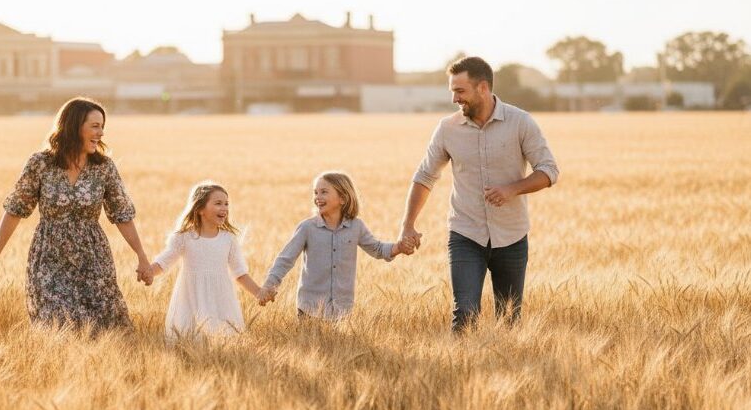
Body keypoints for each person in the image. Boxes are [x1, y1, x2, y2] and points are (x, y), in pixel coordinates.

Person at [399, 57, 559, 332]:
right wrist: (408, 225)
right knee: (464, 315)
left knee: (509, 320)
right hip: (465, 234)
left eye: (460, 91)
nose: (454, 99)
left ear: (482, 88)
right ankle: (461, 370)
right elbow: (425, 176)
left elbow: (549, 171)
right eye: (452, 91)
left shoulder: (520, 122)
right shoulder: (447, 129)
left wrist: (512, 189)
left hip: (511, 235)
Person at [0, 97, 153, 332]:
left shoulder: (104, 167)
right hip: (49, 258)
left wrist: (141, 256)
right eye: (95, 126)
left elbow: (122, 215)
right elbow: (15, 210)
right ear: (74, 126)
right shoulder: (40, 163)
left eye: (102, 126)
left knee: (102, 327)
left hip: (93, 260)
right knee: (54, 323)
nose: (101, 133)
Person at [260, 171, 415, 319]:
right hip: (309, 310)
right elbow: (285, 259)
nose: (318, 197)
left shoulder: (356, 227)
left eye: (324, 192)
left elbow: (378, 249)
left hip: (342, 311)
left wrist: (399, 247)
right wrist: (269, 285)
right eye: (315, 192)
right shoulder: (307, 228)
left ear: (342, 198)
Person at [150, 182, 262, 338]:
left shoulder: (228, 239)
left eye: (226, 204)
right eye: (218, 203)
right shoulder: (185, 237)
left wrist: (259, 293)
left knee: (224, 336)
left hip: (220, 298)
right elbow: (165, 261)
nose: (224, 208)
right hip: (191, 296)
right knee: (190, 336)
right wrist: (149, 272)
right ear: (200, 209)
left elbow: (240, 272)